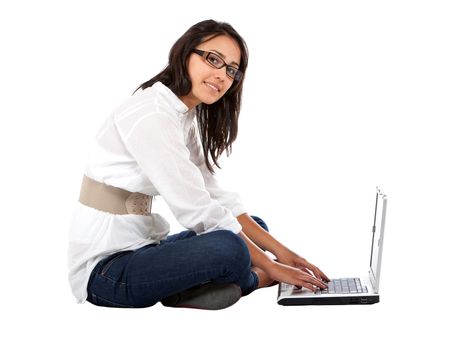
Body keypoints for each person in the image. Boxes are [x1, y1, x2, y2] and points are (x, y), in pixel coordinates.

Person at [68, 19, 330, 310]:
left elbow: (215, 197)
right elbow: (196, 210)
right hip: (106, 272)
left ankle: (192, 286)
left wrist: (286, 255)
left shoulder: (184, 116)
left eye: (231, 69)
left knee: (254, 226)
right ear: (185, 54)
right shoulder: (152, 115)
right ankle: (253, 279)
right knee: (230, 248)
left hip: (145, 248)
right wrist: (273, 268)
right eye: (213, 59)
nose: (222, 75)